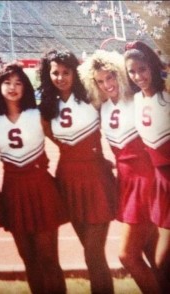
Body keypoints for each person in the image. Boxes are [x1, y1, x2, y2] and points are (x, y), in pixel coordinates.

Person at [78, 49, 160, 294]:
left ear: (120, 74)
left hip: (146, 180)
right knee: (154, 253)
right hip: (125, 182)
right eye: (100, 81)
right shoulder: (103, 107)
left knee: (127, 255)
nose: (107, 85)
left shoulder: (137, 100)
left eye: (111, 77)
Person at [38, 49, 116, 294]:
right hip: (67, 181)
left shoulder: (93, 96)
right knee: (88, 253)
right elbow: (53, 138)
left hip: (96, 179)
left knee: (94, 255)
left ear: (75, 72)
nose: (60, 77)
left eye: (65, 72)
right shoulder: (48, 108)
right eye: (55, 73)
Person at [0, 62, 66, 294]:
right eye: (7, 82)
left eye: (18, 83)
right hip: (13, 191)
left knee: (49, 259)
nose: (12, 87)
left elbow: (64, 143)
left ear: (26, 87)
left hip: (40, 188)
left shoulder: (38, 115)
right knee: (29, 260)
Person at [124, 40, 170, 294]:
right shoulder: (137, 100)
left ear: (152, 66)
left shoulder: (168, 94)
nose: (138, 76)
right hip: (160, 184)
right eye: (132, 71)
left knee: (163, 262)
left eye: (142, 69)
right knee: (161, 264)